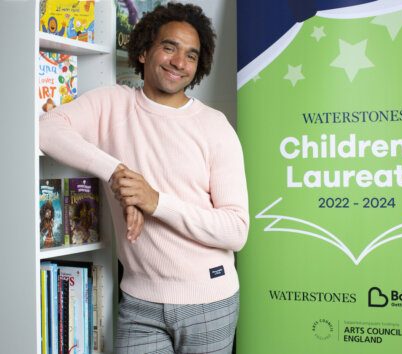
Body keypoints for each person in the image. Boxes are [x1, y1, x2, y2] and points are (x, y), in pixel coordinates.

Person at [40, 3, 249, 353]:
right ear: (143, 51)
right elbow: (46, 131)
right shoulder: (110, 103)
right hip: (139, 302)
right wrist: (119, 174)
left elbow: (236, 230)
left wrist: (155, 202)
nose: (179, 62)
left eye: (191, 55)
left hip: (209, 302)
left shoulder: (214, 126)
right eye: (169, 47)